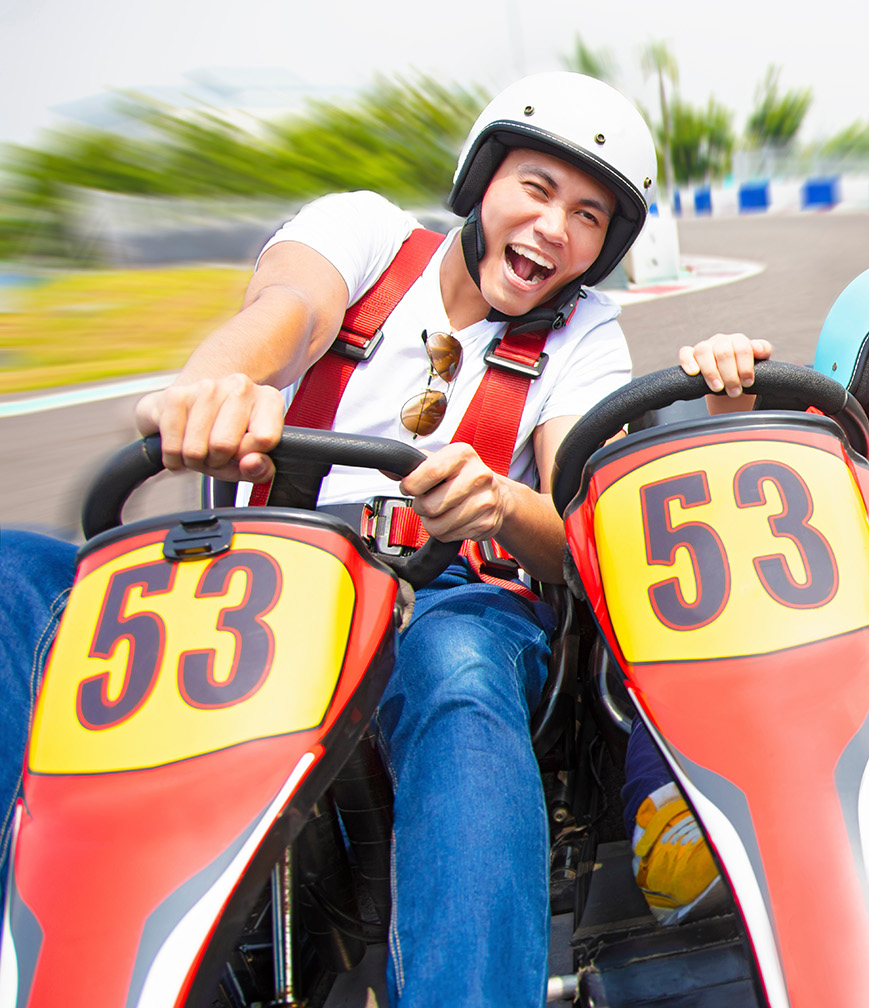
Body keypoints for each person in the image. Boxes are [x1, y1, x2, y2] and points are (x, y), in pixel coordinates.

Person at [0, 71, 655, 1007]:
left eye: (588, 216)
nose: (555, 227)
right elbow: (284, 316)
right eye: (538, 190)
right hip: (252, 574)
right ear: (483, 181)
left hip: (440, 596)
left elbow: (580, 533)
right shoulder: (366, 233)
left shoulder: (585, 337)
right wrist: (215, 388)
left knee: (460, 677)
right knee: (14, 574)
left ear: (604, 247)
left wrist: (499, 508)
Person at [622, 255, 869, 923]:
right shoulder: (796, 423)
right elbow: (725, 430)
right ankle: (672, 830)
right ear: (866, 362)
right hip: (718, 631)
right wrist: (729, 374)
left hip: (840, 644)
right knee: (661, 698)